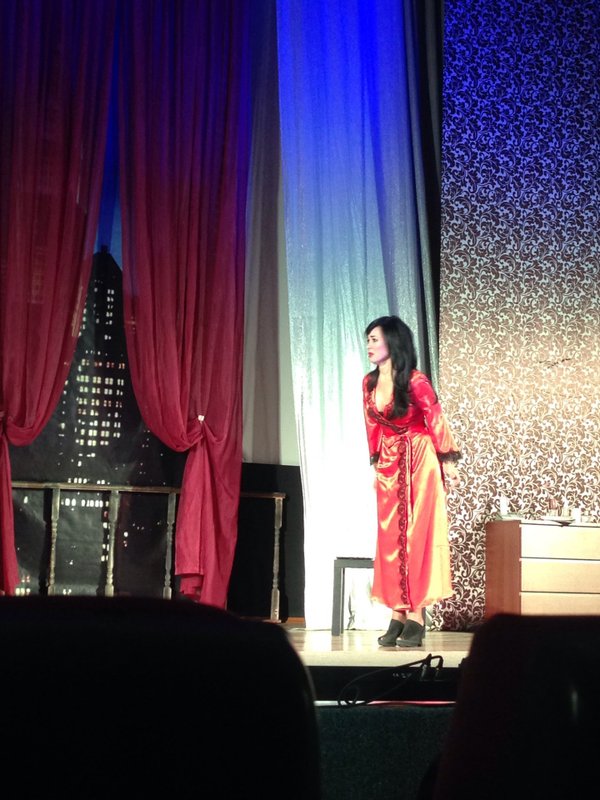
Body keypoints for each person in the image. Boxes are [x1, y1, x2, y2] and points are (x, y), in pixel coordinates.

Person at [363, 315, 460, 647]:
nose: (369, 345)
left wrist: (448, 460)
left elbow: (435, 417)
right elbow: (372, 426)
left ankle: (417, 613)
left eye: (375, 339)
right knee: (392, 537)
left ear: (392, 342)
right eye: (368, 340)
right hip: (391, 462)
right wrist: (377, 461)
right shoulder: (369, 383)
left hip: (419, 457)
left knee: (418, 536)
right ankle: (398, 611)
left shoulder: (415, 381)